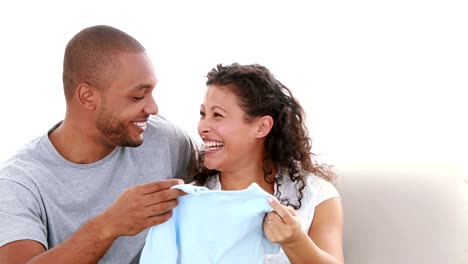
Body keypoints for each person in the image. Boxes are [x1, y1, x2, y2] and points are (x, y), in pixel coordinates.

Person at [0, 25, 194, 264]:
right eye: (137, 96)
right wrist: (108, 225)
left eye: (151, 93)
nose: (153, 108)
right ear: (87, 96)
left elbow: (232, 176)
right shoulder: (19, 184)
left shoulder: (165, 140)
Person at [193, 63, 344, 263]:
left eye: (217, 115)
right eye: (203, 114)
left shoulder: (316, 196)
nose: (202, 127)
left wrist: (294, 241)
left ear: (262, 127)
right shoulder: (191, 201)